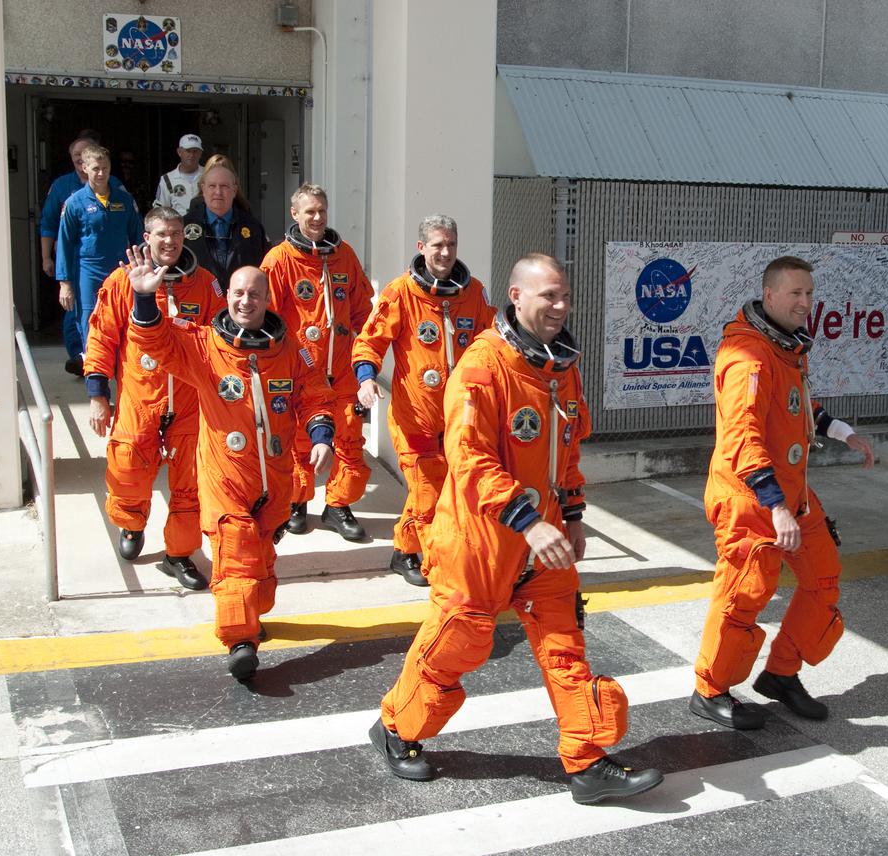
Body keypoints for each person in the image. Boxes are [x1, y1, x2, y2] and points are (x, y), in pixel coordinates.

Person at [369, 254, 662, 805]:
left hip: (542, 537)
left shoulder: (560, 366)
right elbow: (468, 456)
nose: (559, 306)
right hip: (481, 540)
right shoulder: (483, 366)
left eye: (564, 296)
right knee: (457, 647)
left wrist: (572, 515)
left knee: (565, 647)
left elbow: (567, 450)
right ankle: (395, 728)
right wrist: (527, 522)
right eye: (548, 296)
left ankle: (588, 760)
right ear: (516, 296)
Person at [690, 256, 875, 730]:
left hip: (793, 496)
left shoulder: (785, 348)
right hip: (750, 499)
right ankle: (710, 690)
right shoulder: (746, 356)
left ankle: (781, 674)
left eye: (809, 294)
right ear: (769, 295)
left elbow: (797, 406)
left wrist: (844, 432)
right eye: (795, 293)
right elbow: (742, 436)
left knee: (823, 579)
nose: (805, 302)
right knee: (744, 594)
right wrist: (775, 507)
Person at [126, 260, 335, 681]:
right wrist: (145, 297)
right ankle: (240, 641)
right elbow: (158, 342)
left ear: (266, 299)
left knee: (260, 562)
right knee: (235, 553)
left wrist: (321, 437)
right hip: (226, 475)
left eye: (254, 293)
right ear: (229, 296)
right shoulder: (206, 346)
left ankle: (250, 616)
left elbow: (314, 397)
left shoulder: (290, 351)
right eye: (238, 292)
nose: (245, 300)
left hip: (272, 479)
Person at [83, 205, 224, 585]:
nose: (170, 241)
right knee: (128, 467)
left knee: (190, 482)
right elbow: (101, 337)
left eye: (176, 234)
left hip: (190, 400)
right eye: (162, 234)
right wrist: (98, 394)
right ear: (147, 238)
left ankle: (179, 553)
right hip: (140, 397)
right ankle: (131, 525)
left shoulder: (206, 283)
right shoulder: (122, 281)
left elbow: (221, 342)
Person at [351, 214, 495, 586]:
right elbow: (370, 341)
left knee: (452, 489)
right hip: (415, 417)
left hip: (462, 417)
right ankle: (435, 566)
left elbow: (492, 343)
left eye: (451, 245)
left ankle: (407, 550)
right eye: (437, 245)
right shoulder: (401, 293)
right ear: (421, 248)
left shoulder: (474, 293)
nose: (445, 252)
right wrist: (366, 379)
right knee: (428, 490)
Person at [262, 184, 374, 540]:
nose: (316, 218)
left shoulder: (345, 257)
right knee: (299, 444)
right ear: (294, 214)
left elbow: (363, 314)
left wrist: (367, 362)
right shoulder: (279, 261)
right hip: (302, 374)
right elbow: (267, 319)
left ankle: (338, 505)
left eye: (321, 211)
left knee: (350, 442)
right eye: (309, 211)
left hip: (341, 372)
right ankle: (297, 504)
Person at [40, 133, 122, 375]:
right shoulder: (66, 191)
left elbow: (133, 231)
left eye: (102, 166)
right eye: (77, 156)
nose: (98, 171)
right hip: (79, 265)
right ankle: (82, 360)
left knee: (116, 316)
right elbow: (49, 224)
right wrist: (49, 261)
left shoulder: (118, 192)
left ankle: (110, 363)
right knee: (80, 316)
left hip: (113, 266)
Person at [56, 144, 143, 362]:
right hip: (88, 272)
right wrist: (64, 283)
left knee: (124, 318)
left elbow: (139, 237)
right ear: (84, 168)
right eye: (96, 168)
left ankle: (122, 368)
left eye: (105, 168)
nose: (101, 173)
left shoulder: (124, 200)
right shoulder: (74, 203)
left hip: (121, 270)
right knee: (89, 321)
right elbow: (65, 244)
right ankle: (94, 376)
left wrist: (145, 268)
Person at [182, 155, 269, 287]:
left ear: (234, 190)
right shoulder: (184, 226)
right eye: (212, 186)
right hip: (199, 301)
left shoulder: (254, 228)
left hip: (240, 302)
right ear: (203, 189)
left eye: (224, 186)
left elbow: (263, 270)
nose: (218, 192)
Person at [153, 134, 203, 215]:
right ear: (179, 152)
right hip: (178, 226)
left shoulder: (209, 174)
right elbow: (160, 211)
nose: (192, 155)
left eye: (195, 151)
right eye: (188, 151)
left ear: (200, 153)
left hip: (203, 226)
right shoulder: (167, 179)